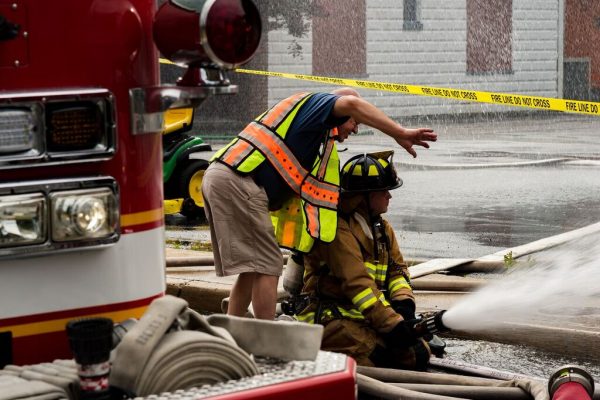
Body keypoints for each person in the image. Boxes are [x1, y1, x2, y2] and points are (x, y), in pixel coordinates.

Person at [201, 88, 437, 320]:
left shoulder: (314, 131)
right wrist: (399, 132)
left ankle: (233, 325)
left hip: (226, 177)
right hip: (238, 180)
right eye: (355, 123)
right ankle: (266, 337)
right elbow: (353, 104)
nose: (355, 129)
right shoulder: (317, 106)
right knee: (268, 264)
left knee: (253, 267)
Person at [295, 151, 431, 370]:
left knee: (418, 354)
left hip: (367, 317)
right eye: (384, 190)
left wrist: (404, 306)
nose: (390, 196)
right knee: (379, 358)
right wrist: (393, 325)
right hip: (329, 320)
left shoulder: (382, 229)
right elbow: (357, 282)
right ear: (364, 195)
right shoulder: (335, 229)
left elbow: (397, 271)